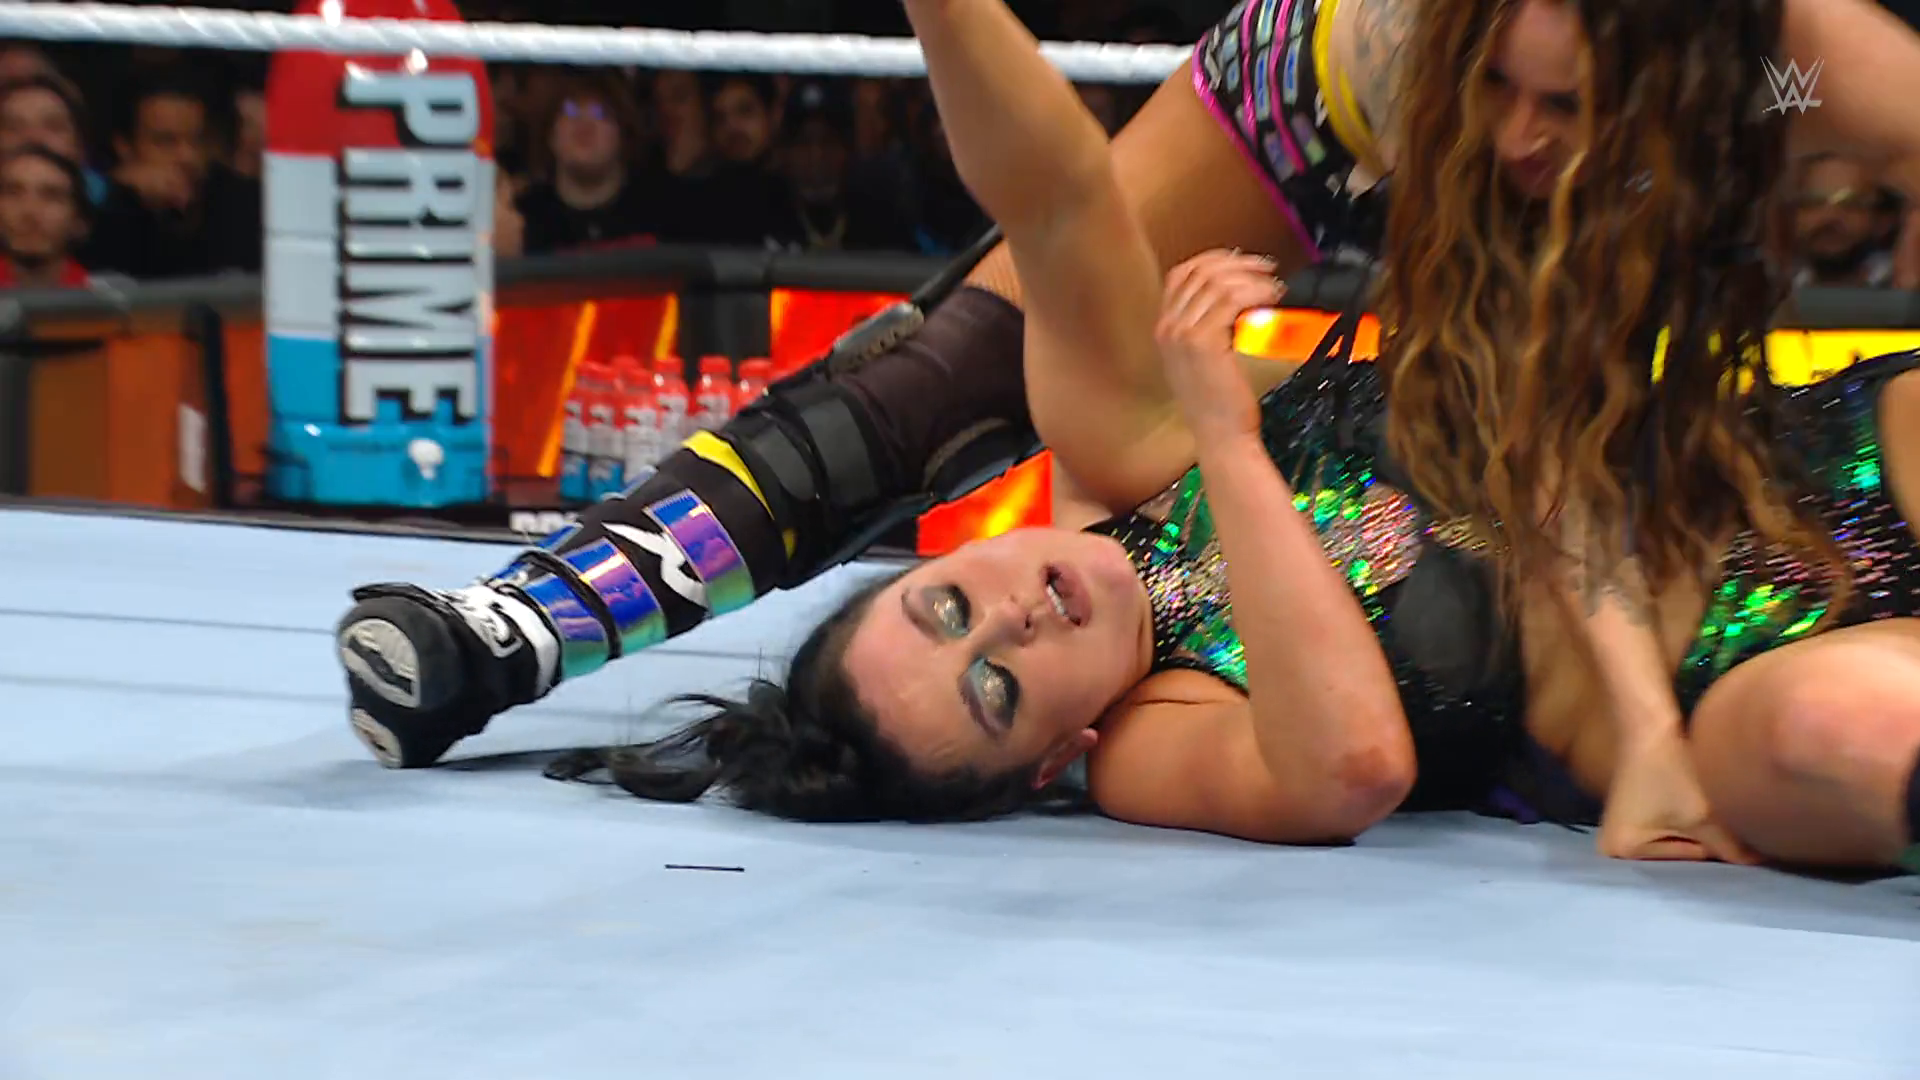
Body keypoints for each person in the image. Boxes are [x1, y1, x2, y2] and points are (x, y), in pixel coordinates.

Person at [335, 0, 1920, 867]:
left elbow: (1049, 192)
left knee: (969, 351)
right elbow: (1354, 763)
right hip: (1764, 680)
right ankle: (518, 628)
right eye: (998, 684)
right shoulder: (1164, 731)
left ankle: (521, 621)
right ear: (1049, 763)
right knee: (1839, 740)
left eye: (947, 608)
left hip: (1808, 456)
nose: (1014, 615)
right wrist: (1231, 442)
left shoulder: (1119, 430)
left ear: (928, 560)